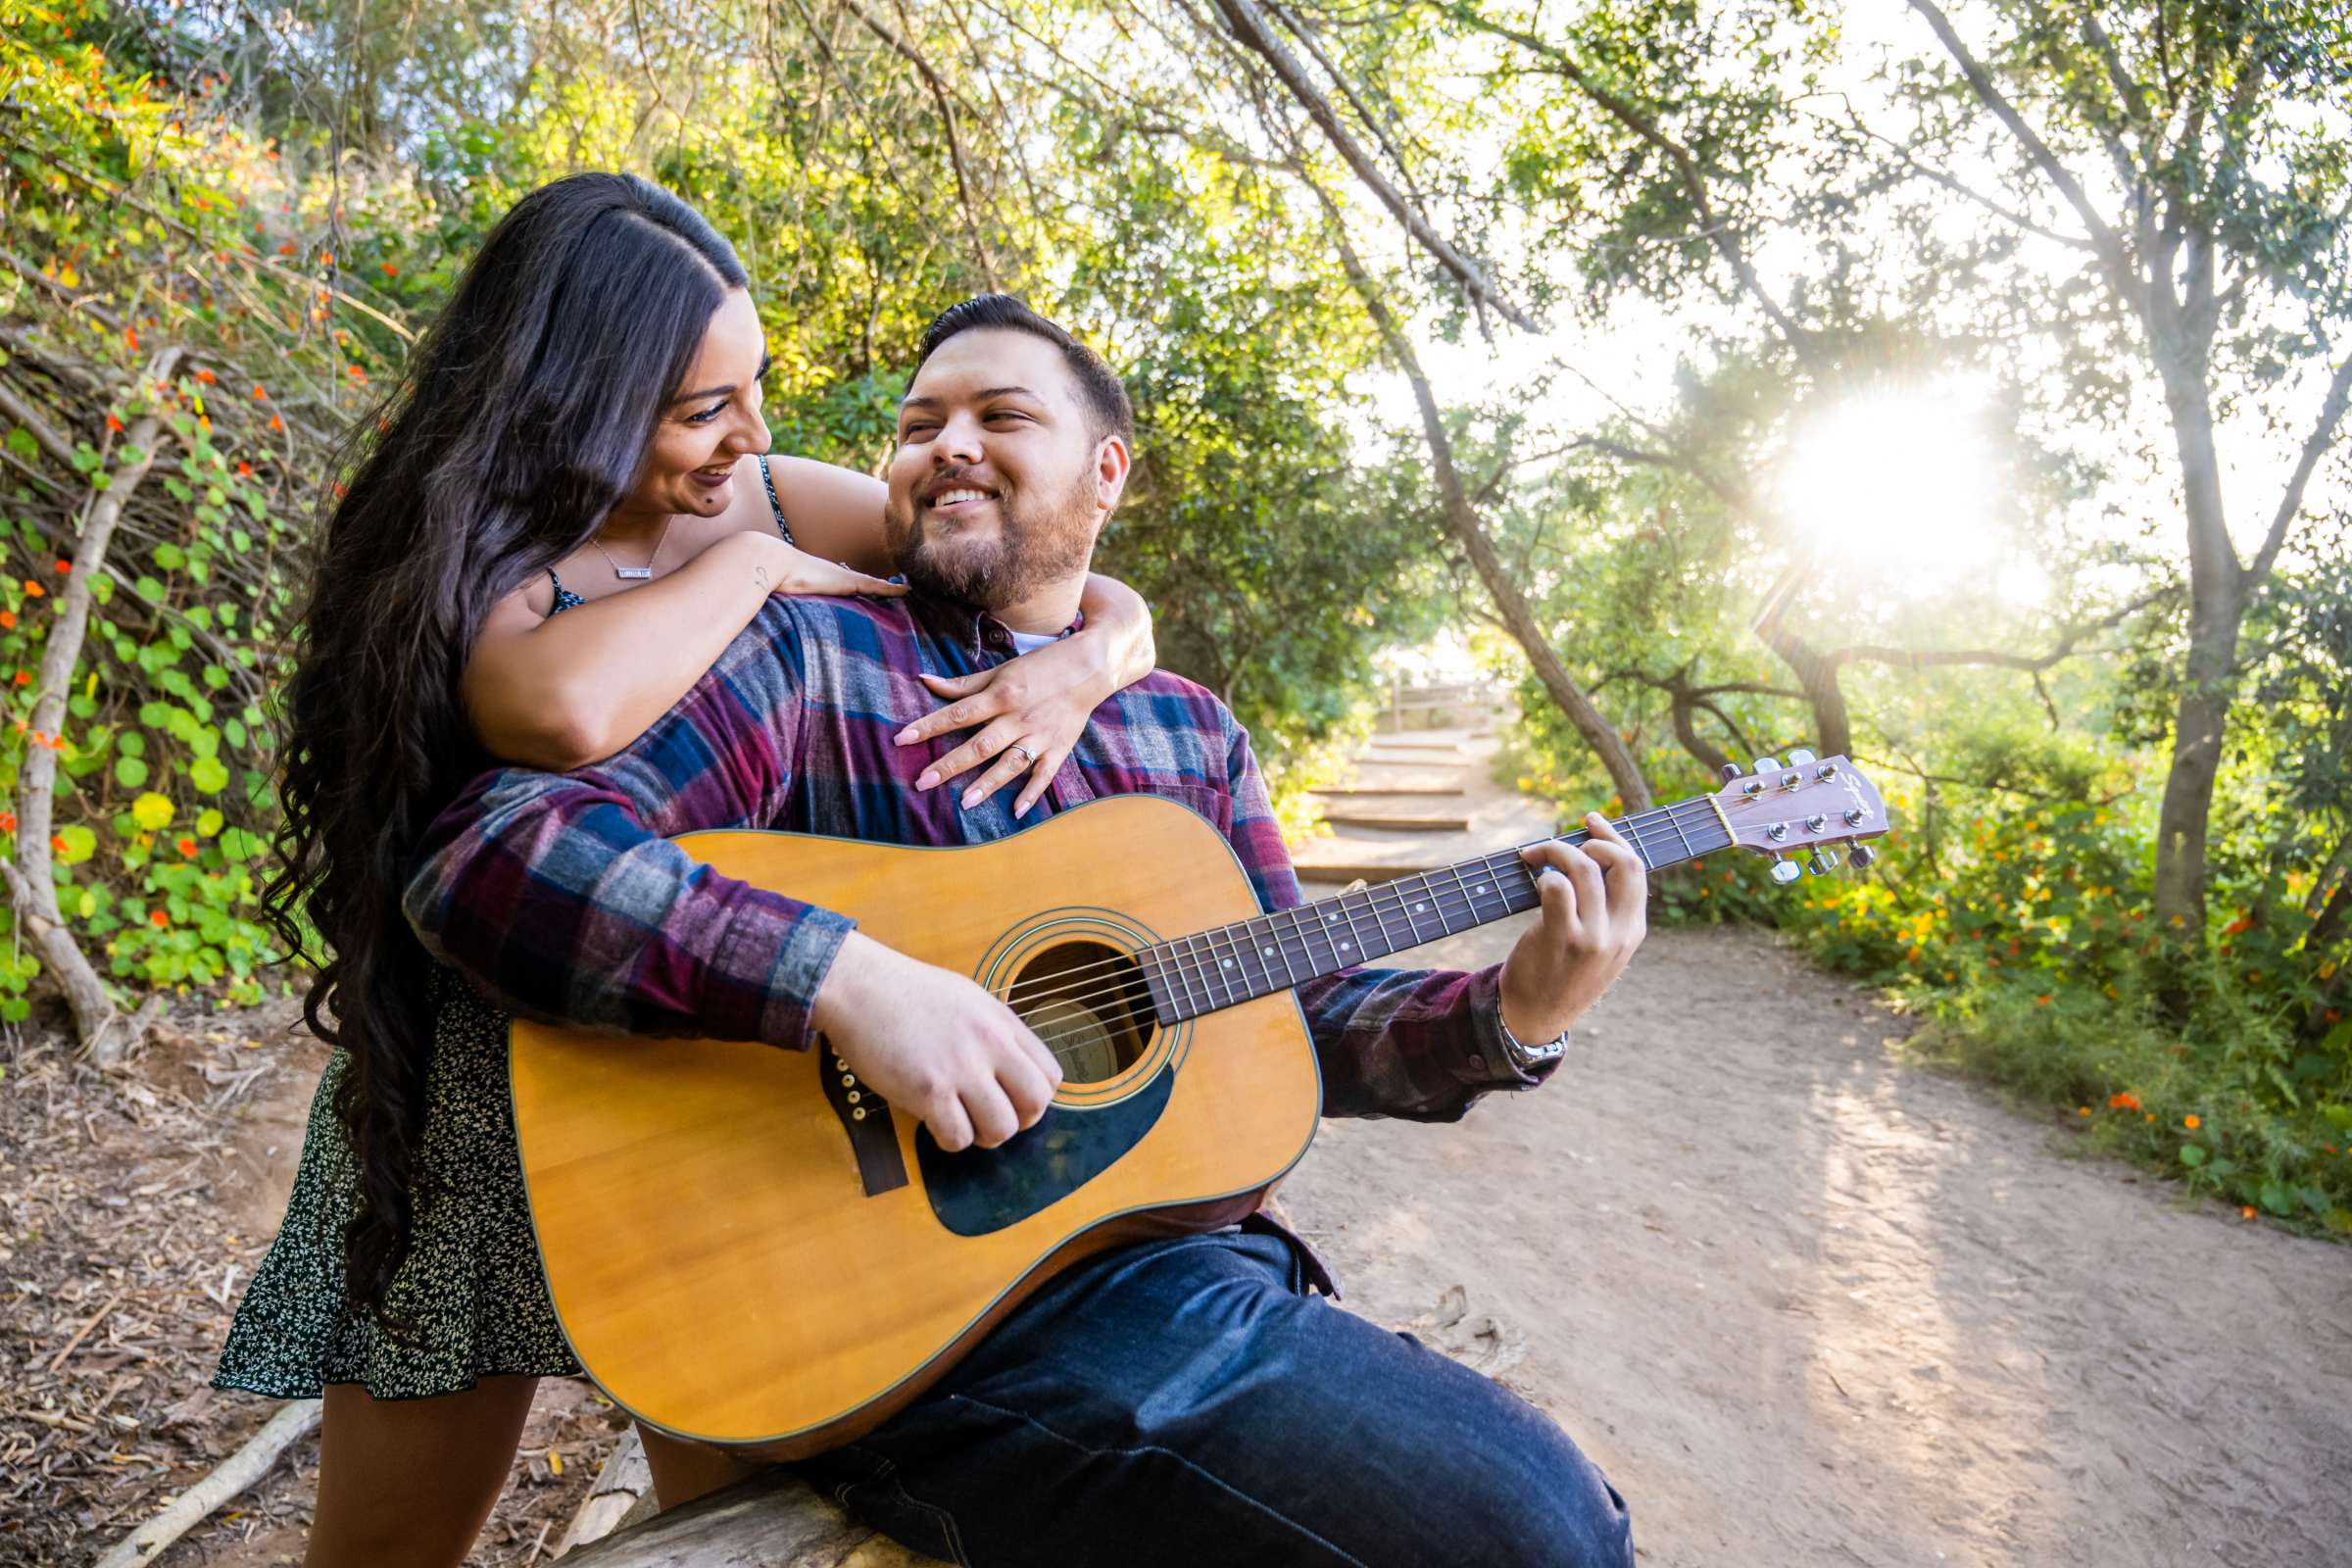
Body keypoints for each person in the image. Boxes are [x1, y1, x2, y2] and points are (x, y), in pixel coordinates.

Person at [404, 293, 1644, 1567]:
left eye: (1001, 416)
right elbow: (490, 857)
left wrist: (1514, 1014)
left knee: (1553, 1514)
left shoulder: (1187, 735)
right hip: (896, 1331)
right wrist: (842, 977)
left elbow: (1295, 1014)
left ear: (1107, 471)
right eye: (918, 421)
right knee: (1530, 1530)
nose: (948, 442)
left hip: (1167, 1278)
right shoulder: (810, 658)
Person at [211, 175, 1159, 1568]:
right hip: (475, 1094)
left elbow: (1030, 565)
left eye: (754, 390)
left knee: (730, 1535)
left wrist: (1096, 658)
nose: (753, 438)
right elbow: (562, 716)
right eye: (703, 408)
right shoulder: (476, 546)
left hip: (706, 1051)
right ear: (570, 399)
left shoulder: (759, 487)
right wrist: (755, 566)